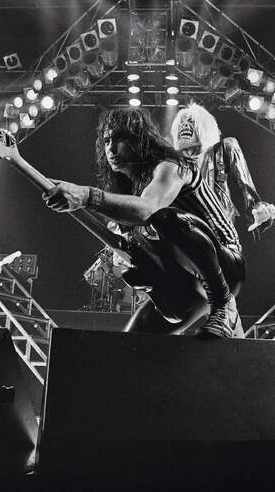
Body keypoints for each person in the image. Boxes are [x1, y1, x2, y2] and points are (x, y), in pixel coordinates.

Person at [42, 107, 245, 338]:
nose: (111, 148)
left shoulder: (170, 166)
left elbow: (148, 209)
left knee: (167, 218)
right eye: (107, 141)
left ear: (140, 140)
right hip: (188, 287)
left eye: (120, 139)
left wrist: (88, 196)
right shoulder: (131, 189)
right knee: (132, 343)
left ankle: (223, 306)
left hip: (226, 267)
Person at [169, 103, 275, 234]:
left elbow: (243, 185)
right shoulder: (172, 164)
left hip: (218, 232)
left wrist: (256, 209)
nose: (184, 125)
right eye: (181, 123)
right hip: (182, 232)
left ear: (205, 127)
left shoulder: (223, 149)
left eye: (190, 121)